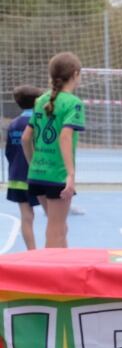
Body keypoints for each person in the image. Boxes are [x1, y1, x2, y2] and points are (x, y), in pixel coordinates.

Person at [23, 52, 85, 249]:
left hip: (37, 173)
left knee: (60, 228)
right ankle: (48, 276)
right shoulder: (73, 103)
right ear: (75, 74)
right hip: (56, 174)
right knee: (56, 229)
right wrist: (70, 174)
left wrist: (34, 163)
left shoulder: (40, 101)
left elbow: (26, 138)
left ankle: (64, 270)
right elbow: (65, 137)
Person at [6, 85, 44, 250]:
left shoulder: (13, 124)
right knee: (54, 216)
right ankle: (54, 251)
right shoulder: (38, 121)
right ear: (38, 102)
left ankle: (32, 252)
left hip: (16, 177)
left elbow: (8, 152)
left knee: (26, 217)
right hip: (38, 176)